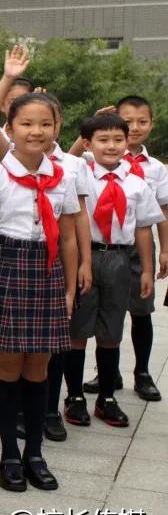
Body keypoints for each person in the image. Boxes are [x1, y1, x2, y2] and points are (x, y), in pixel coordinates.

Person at [0, 87, 80, 493]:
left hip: (47, 272)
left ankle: (35, 452)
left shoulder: (63, 178)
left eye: (45, 124)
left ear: (57, 128)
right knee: (7, 365)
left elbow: (68, 238)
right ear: (11, 128)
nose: (36, 131)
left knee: (39, 367)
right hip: (7, 269)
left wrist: (68, 291)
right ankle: (8, 455)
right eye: (27, 123)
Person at [62, 113, 162, 429]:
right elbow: (64, 158)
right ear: (88, 144)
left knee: (111, 332)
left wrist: (145, 270)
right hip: (86, 256)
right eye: (103, 140)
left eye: (119, 139)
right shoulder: (80, 176)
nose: (112, 146)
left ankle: (106, 397)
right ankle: (74, 396)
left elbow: (143, 228)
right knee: (77, 331)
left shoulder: (136, 183)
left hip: (120, 259)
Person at [84, 96, 168, 402]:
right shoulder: (90, 161)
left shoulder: (155, 168)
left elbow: (162, 210)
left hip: (136, 247)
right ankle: (108, 373)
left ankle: (142, 373)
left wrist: (164, 250)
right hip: (100, 248)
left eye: (142, 121)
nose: (135, 127)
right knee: (106, 312)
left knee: (142, 311)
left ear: (151, 124)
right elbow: (71, 155)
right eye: (127, 121)